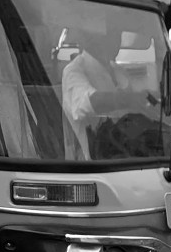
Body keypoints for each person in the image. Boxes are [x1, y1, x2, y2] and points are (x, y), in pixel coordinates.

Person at [62, 23, 154, 156]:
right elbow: (87, 103)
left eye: (118, 35)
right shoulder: (74, 70)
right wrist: (126, 99)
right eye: (111, 35)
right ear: (93, 39)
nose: (116, 42)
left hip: (126, 152)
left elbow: (136, 106)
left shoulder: (119, 70)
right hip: (92, 161)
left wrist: (152, 100)